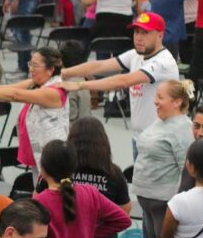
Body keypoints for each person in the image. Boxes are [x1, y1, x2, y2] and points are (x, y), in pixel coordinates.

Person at [59, 12, 179, 158]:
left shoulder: (163, 62)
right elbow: (100, 65)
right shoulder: (136, 54)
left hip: (159, 141)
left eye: (145, 33)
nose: (139, 37)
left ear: (160, 35)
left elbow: (123, 81)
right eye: (136, 32)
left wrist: (80, 85)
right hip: (139, 137)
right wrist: (64, 72)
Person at [0, 47, 68, 173]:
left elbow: (14, 95)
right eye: (30, 64)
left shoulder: (54, 91)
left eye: (35, 65)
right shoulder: (36, 83)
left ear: (50, 70)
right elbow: (5, 88)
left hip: (52, 156)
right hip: (39, 154)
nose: (31, 69)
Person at [133, 79, 194, 238]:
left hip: (164, 202)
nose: (155, 101)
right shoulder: (161, 121)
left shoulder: (183, 128)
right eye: (155, 97)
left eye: (160, 97)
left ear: (177, 102)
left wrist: (176, 204)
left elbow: (187, 170)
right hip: (148, 201)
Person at [66, 117, 132, 238]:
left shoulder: (60, 169)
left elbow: (39, 203)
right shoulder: (114, 173)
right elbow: (124, 211)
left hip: (67, 237)